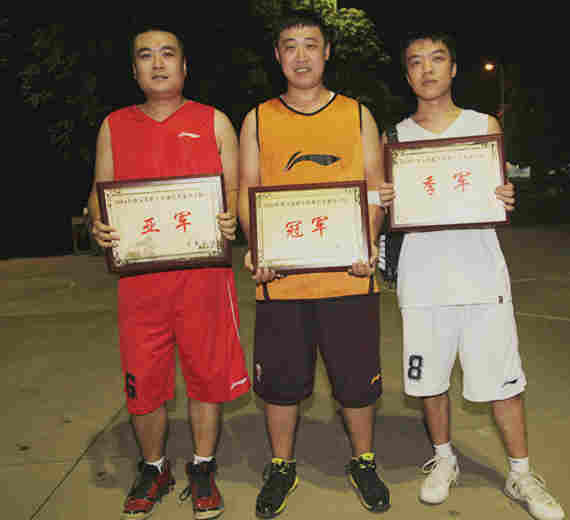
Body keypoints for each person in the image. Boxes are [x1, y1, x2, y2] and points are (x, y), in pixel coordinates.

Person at [379, 32, 565, 520]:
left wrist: (505, 196)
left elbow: (494, 190)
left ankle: (521, 472)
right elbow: (380, 208)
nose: (427, 69)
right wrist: (380, 201)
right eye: (415, 62)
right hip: (422, 278)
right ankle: (444, 459)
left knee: (503, 382)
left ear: (453, 68)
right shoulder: (394, 137)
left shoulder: (483, 126)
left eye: (436, 59)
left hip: (481, 275)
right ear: (407, 75)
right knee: (430, 381)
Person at [87, 26, 250, 520]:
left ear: (184, 65)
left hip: (204, 278)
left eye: (167, 54)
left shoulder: (213, 121)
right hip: (142, 282)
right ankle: (153, 467)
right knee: (145, 380)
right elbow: (100, 191)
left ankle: (202, 467)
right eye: (145, 56)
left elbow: (236, 191)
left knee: (206, 376)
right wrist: (97, 221)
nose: (157, 63)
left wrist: (232, 219)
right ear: (134, 70)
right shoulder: (114, 125)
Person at [238, 10, 389, 518]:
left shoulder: (357, 114)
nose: (301, 56)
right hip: (282, 281)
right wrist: (258, 248)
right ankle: (282, 465)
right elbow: (247, 191)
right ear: (277, 56)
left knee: (355, 382)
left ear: (327, 53)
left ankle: (363, 461)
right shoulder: (258, 119)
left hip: (349, 276)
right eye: (290, 46)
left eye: (311, 45)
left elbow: (374, 188)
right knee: (280, 385)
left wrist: (368, 242)